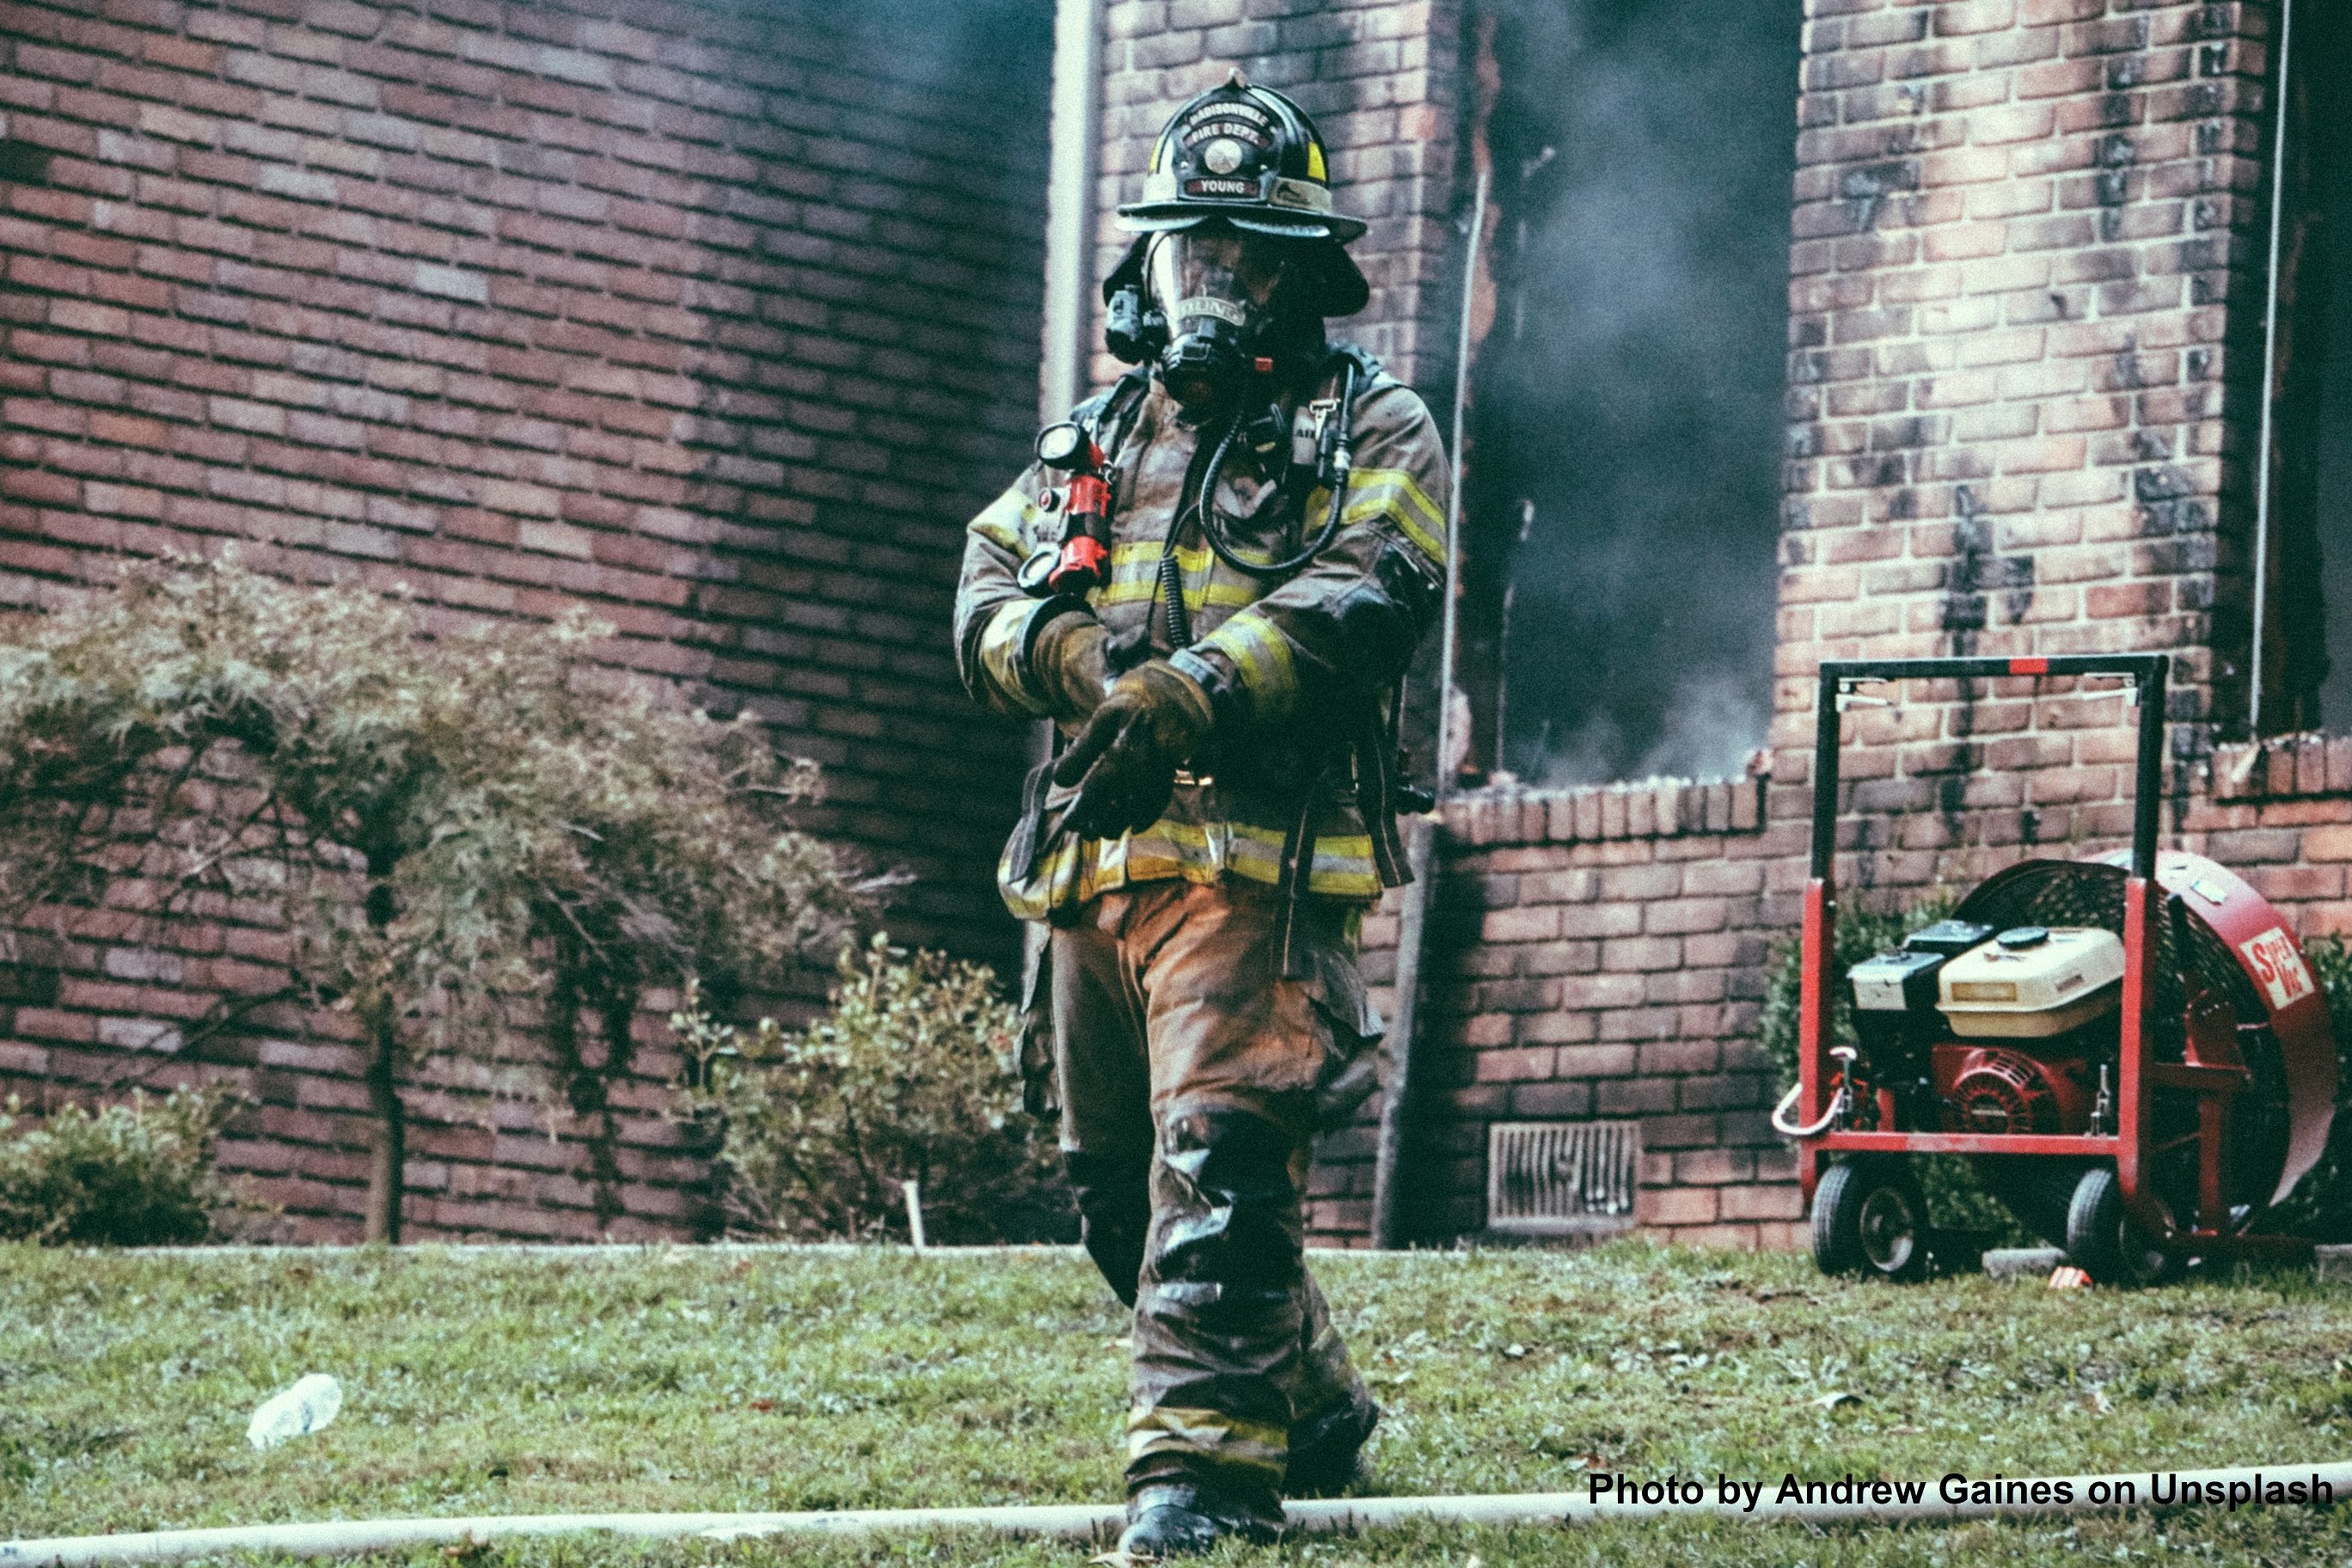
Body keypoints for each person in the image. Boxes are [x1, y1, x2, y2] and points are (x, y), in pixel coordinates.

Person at [952, 72, 1451, 1558]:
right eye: (1190, 254)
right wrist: (1062, 654)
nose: (1211, 286)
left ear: (1303, 271)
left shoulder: (1376, 427)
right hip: (1094, 881)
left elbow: (1373, 592)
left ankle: (1204, 1488)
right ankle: (1321, 1409)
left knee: (1220, 1168)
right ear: (1145, 271)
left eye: (1242, 255)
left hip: (1261, 877)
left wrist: (1191, 694)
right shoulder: (1093, 443)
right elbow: (980, 598)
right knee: (1124, 1204)